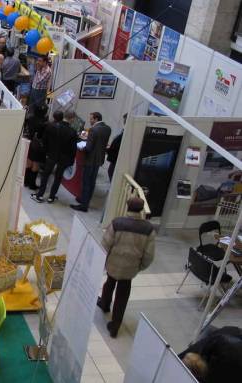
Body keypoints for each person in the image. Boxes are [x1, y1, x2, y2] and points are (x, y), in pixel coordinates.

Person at [97, 197, 155, 338]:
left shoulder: (117, 223)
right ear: (141, 210)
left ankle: (104, 304)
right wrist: (139, 267)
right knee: (123, 295)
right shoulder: (148, 229)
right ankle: (115, 327)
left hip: (113, 264)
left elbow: (105, 244)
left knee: (109, 283)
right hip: (131, 268)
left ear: (127, 207)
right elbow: (149, 254)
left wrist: (104, 262)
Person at [31, 111, 77, 203]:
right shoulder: (72, 132)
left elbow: (45, 140)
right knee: (58, 177)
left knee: (46, 175)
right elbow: (73, 149)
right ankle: (51, 197)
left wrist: (47, 152)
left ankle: (40, 195)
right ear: (72, 119)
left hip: (51, 155)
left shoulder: (51, 126)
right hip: (63, 158)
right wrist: (70, 161)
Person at [72, 112, 111, 212]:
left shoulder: (93, 129)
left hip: (90, 160)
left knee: (86, 182)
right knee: (92, 181)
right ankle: (86, 199)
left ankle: (83, 205)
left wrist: (81, 147)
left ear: (96, 119)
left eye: (91, 119)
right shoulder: (107, 128)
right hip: (99, 159)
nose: (90, 120)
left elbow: (88, 148)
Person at [24, 104, 48, 190]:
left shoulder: (30, 118)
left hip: (30, 142)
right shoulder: (44, 123)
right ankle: (32, 184)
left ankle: (25, 181)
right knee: (36, 165)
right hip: (38, 146)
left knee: (29, 162)